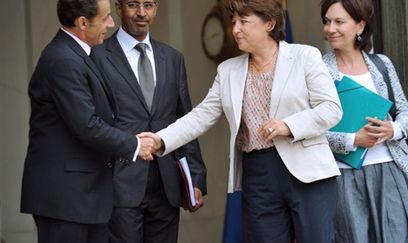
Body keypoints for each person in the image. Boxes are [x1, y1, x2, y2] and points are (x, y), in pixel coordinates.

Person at [140, 0, 342, 242]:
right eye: (234, 22)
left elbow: (331, 109)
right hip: (258, 174)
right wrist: (161, 139)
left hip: (308, 173)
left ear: (269, 23)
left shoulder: (304, 56)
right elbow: (200, 116)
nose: (235, 29)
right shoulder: (228, 71)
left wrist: (289, 125)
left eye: (244, 22)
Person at [20, 0, 153, 242]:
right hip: (66, 199)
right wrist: (134, 145)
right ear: (82, 23)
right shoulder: (64, 60)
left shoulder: (78, 54)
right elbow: (87, 125)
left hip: (84, 197)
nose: (111, 24)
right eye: (105, 18)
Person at [91, 0, 207, 242]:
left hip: (167, 186)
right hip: (119, 184)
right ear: (118, 7)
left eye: (149, 5)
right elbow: (92, 122)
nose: (142, 13)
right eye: (133, 4)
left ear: (156, 9)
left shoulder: (173, 58)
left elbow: (185, 118)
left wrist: (195, 177)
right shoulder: (97, 56)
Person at [320, 0, 408, 242]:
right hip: (344, 177)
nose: (330, 28)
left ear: (360, 26)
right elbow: (313, 133)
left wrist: (392, 129)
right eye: (326, 21)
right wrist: (354, 139)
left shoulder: (382, 64)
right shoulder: (318, 70)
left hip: (390, 171)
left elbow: (406, 113)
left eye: (339, 21)